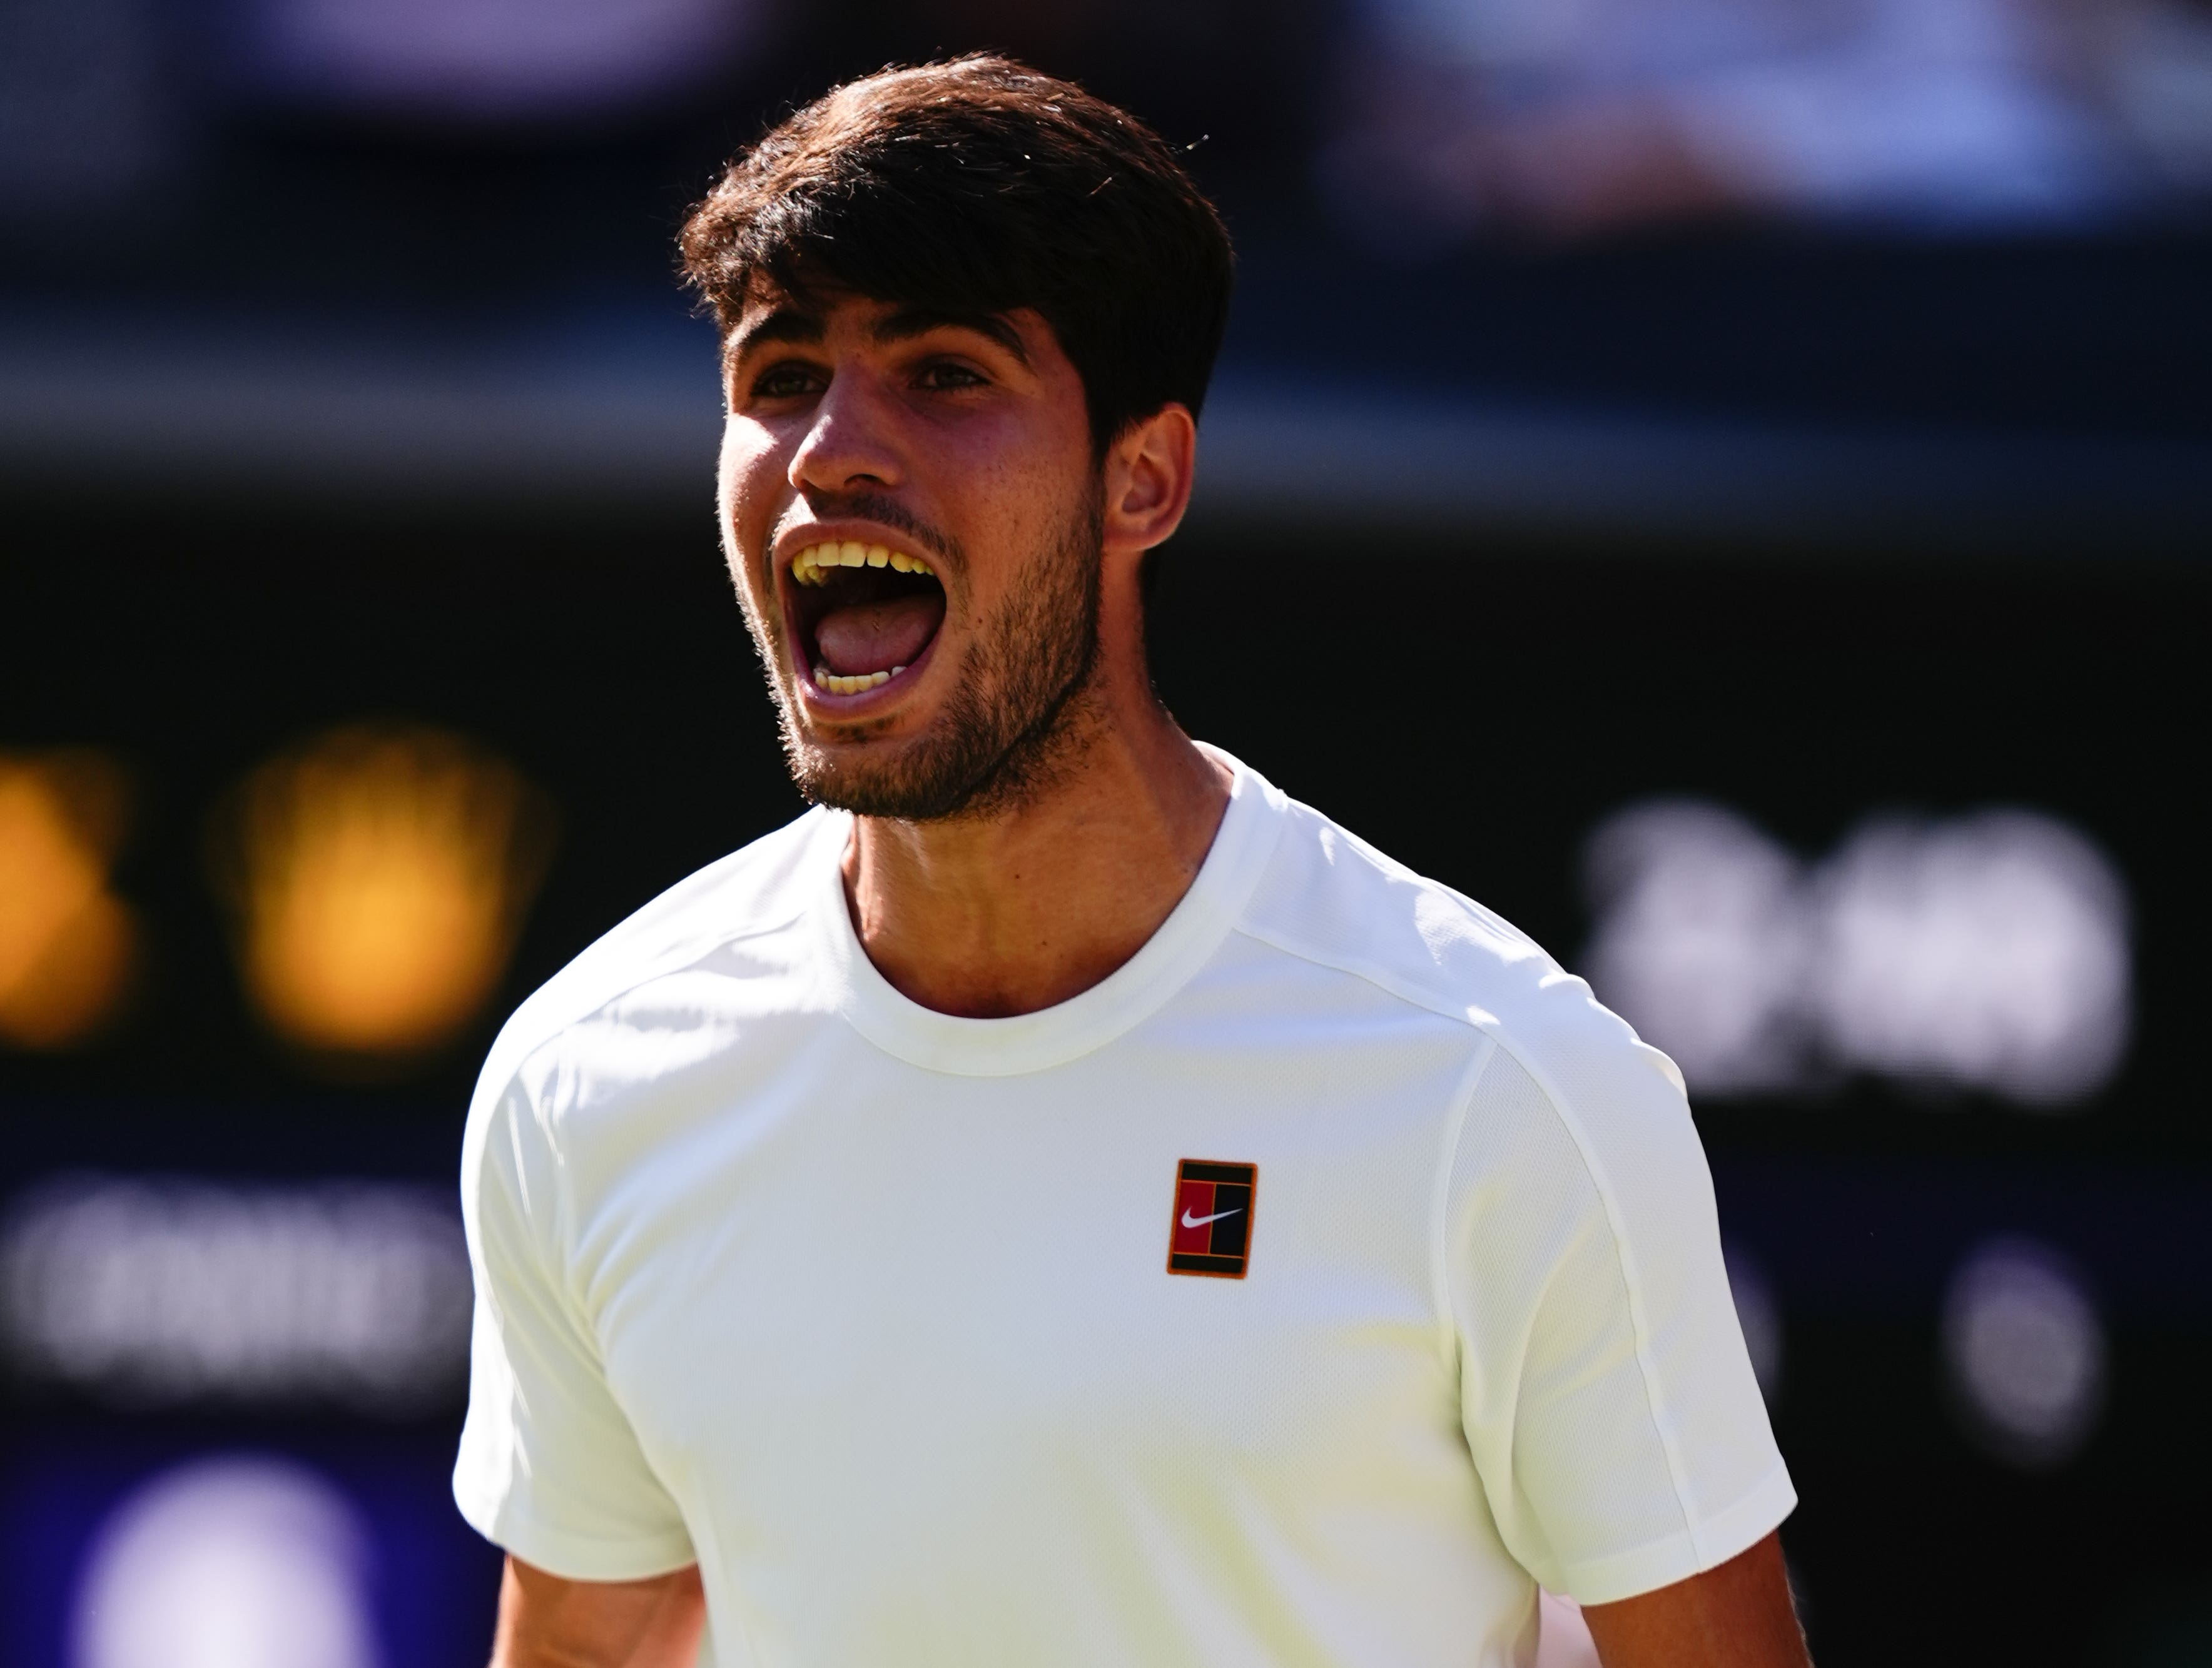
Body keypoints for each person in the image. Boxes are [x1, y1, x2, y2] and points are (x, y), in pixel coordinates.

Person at [453, 54, 1809, 1668]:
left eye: (945, 374)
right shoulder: (585, 1078)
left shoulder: (1503, 1087)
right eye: (779, 373)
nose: (829, 450)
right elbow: (593, 1647)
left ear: (1144, 477)